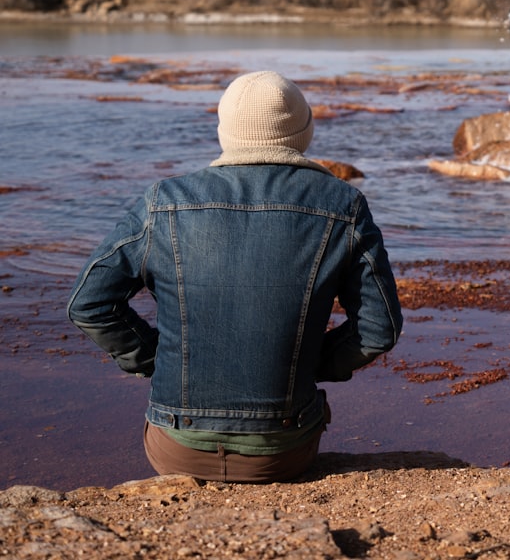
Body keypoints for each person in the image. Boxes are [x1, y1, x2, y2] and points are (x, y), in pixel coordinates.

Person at [68, 70, 403, 483]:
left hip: (177, 449)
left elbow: (89, 304)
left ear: (226, 131)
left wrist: (157, 359)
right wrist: (309, 363)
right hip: (285, 449)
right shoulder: (343, 205)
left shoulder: (164, 202)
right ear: (304, 132)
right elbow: (378, 329)